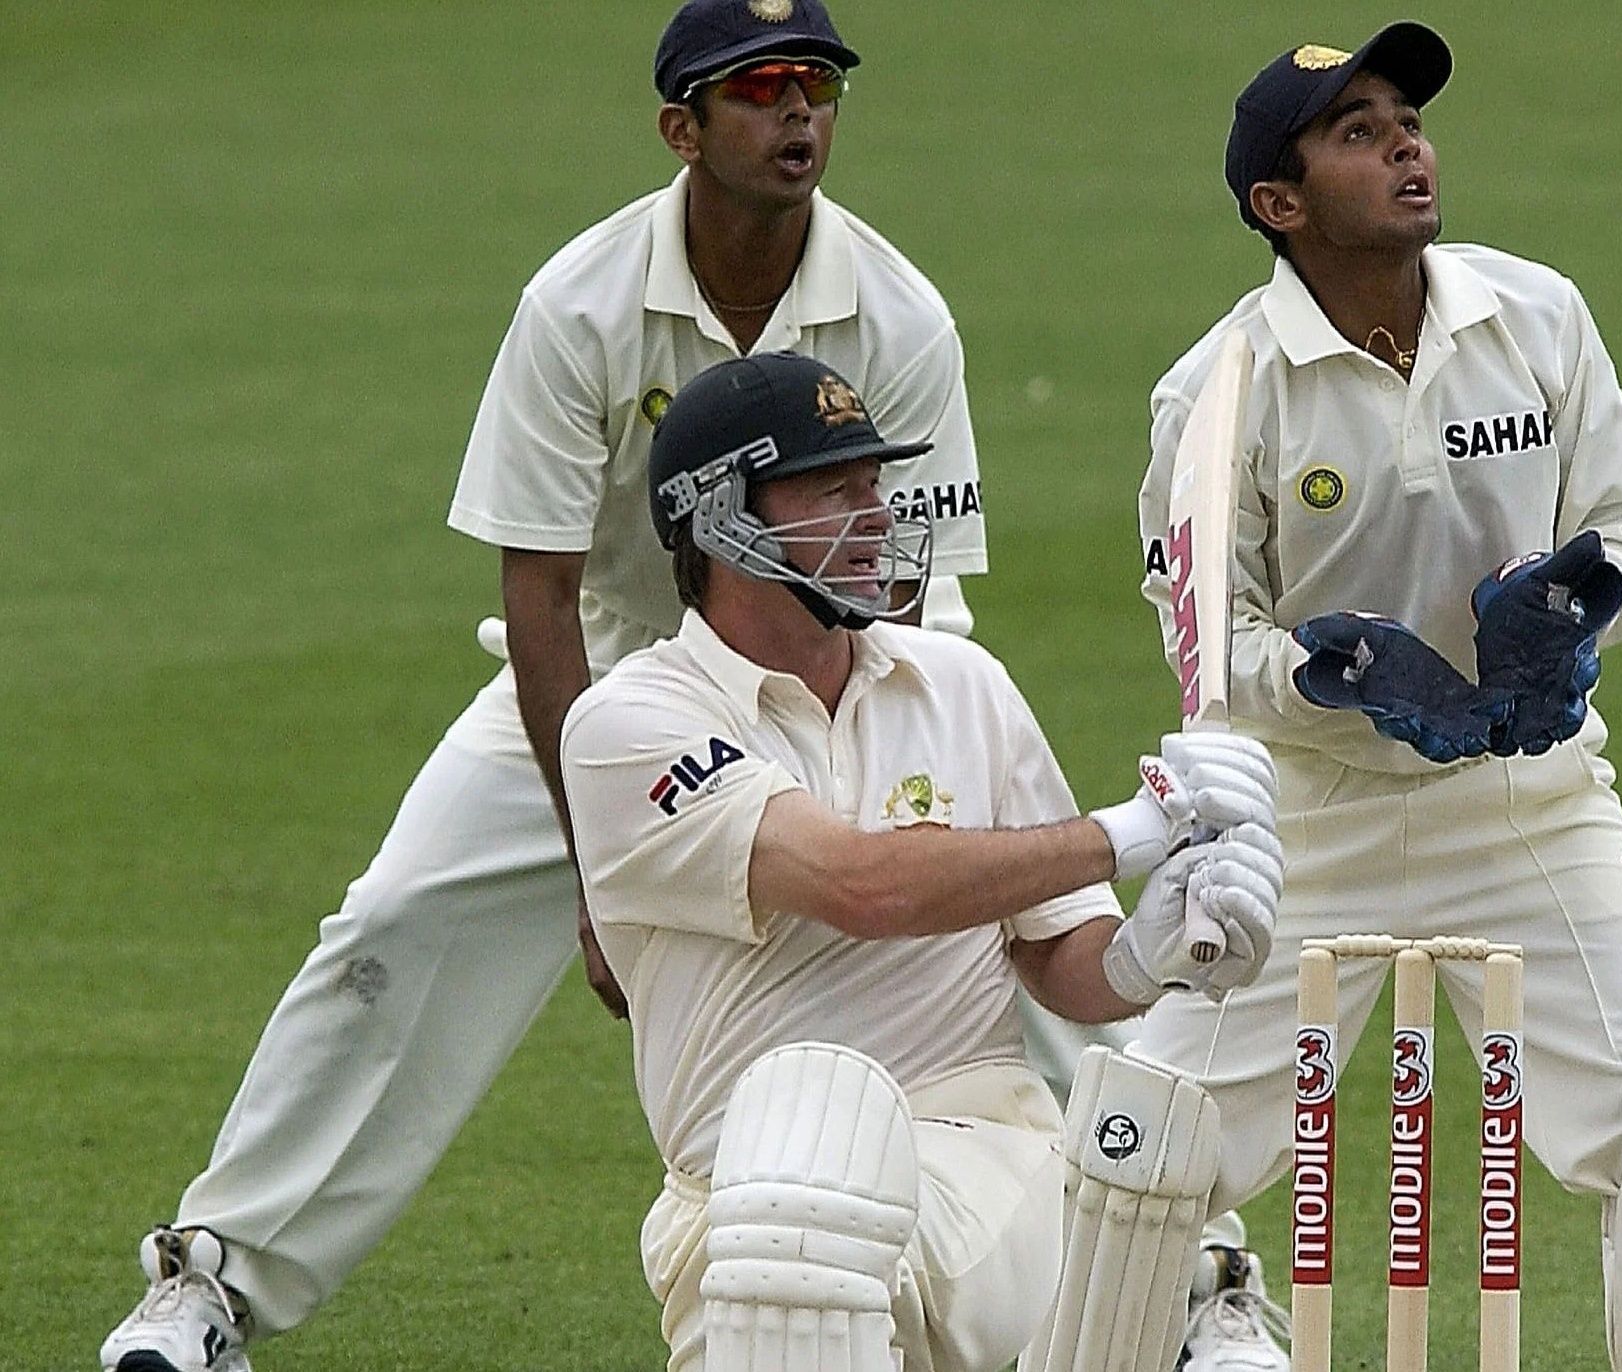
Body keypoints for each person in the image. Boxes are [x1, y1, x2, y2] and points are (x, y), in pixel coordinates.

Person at [99, 4, 997, 1369]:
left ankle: (1185, 1284)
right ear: (679, 128)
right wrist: (602, 871)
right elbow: (537, 594)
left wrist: (859, 777)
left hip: (843, 672)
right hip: (601, 686)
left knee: (1003, 930)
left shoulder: (899, 309)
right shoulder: (577, 302)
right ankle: (211, 1281)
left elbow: (906, 582)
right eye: (754, 90)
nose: (795, 113)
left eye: (813, 85)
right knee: (393, 928)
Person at [1096, 22, 1622, 1371]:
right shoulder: (1214, 394)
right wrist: (1337, 683)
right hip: (1309, 824)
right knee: (1139, 1148)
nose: (1405, 144)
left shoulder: (1532, 314)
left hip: (1529, 799)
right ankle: (1193, 1318)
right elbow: (1201, 641)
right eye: (1356, 131)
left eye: (1405, 117)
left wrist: (1572, 623)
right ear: (1276, 207)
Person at [558, 349, 1287, 1372]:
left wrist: (1149, 953)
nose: (874, 515)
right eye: (832, 488)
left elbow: (1060, 958)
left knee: (813, 1225)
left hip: (979, 1153)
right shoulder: (631, 723)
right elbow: (862, 884)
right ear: (720, 516)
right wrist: (1133, 831)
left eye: (875, 484)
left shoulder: (961, 684)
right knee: (805, 1203)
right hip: (745, 1190)